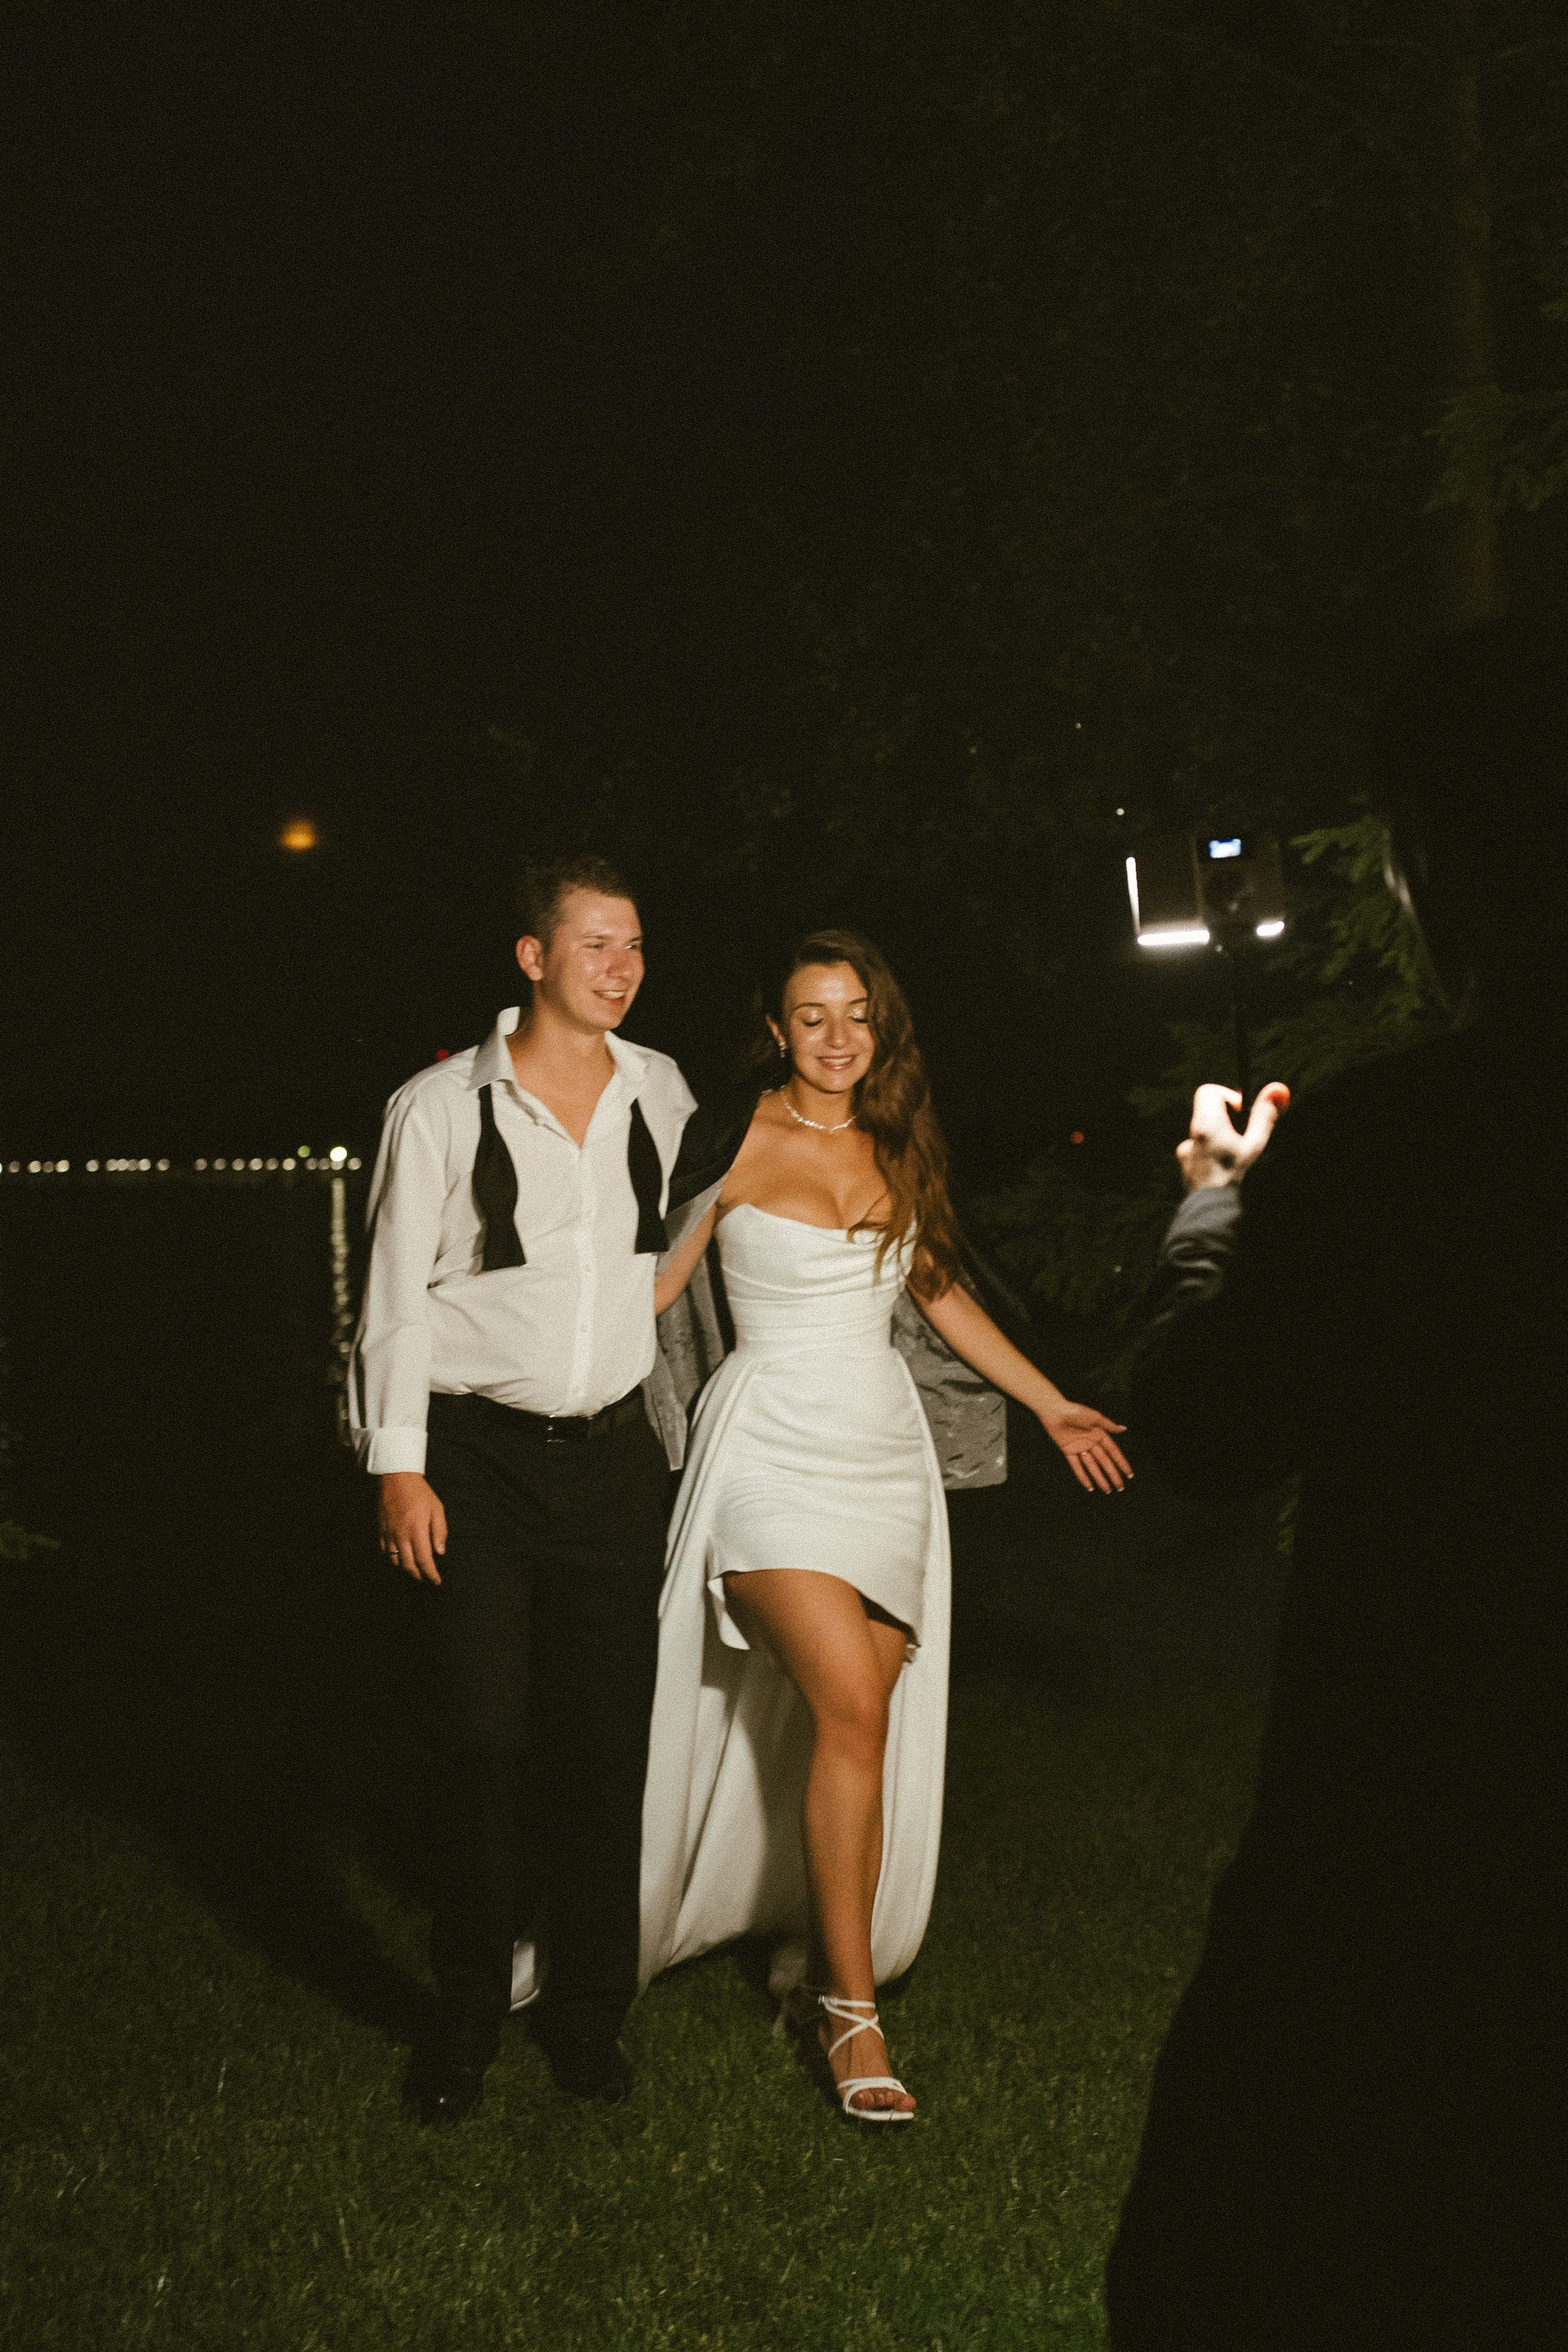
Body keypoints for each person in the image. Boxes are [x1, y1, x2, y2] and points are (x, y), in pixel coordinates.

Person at [1104, 618, 1567, 2349]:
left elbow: (1205, 1429)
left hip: (1399, 1833)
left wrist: (1217, 1208)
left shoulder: (1388, 1148)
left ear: (1434, 862)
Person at [641, 929, 1132, 2120]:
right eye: (812, 1016)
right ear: (776, 1030)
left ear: (881, 1026)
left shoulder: (897, 1139)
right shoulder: (730, 1136)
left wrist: (1050, 1403)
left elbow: (939, 1290)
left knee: (857, 1723)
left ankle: (815, 1953)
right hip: (766, 1446)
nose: (837, 1037)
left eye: (856, 1014)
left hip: (882, 1456)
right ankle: (851, 2022)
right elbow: (652, 1286)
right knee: (853, 1707)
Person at [349, 853, 696, 2122]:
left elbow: (673, 1245)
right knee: (483, 1744)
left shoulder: (661, 1089)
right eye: (596, 944)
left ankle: (590, 2017)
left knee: (605, 1748)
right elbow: (393, 1297)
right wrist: (399, 1467)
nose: (622, 967)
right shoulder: (437, 1107)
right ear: (534, 957)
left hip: (612, 1462)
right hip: (475, 1460)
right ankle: (463, 2020)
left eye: (635, 944)